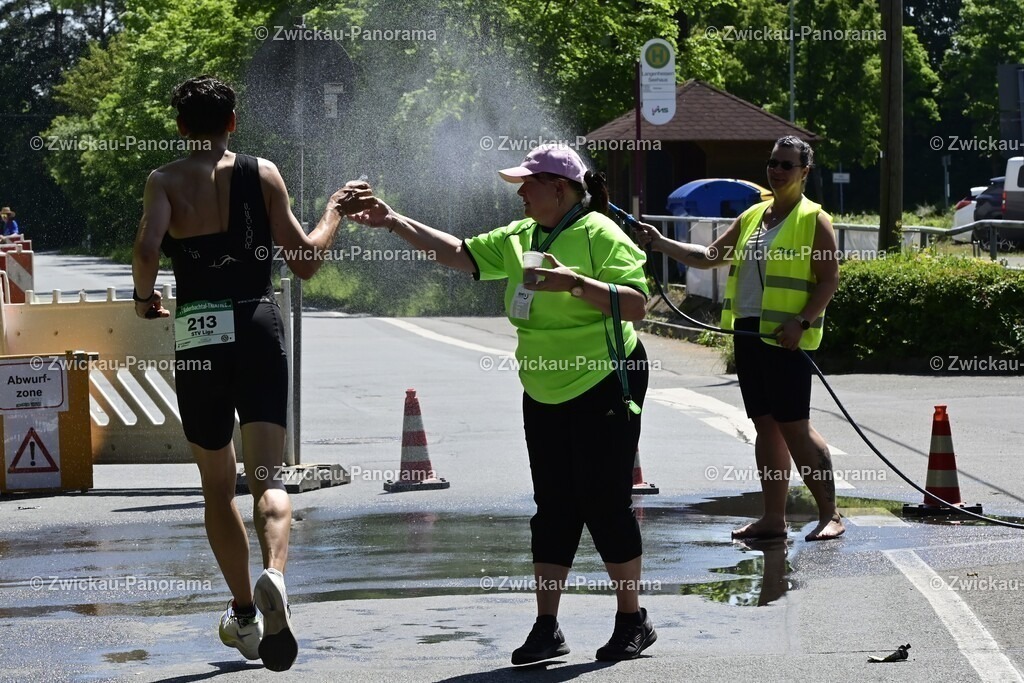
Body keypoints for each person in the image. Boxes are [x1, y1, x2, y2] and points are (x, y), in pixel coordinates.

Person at [343, 144, 658, 664]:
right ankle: (547, 627)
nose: (519, 193)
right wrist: (393, 220)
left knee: (603, 503)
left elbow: (637, 304)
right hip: (543, 386)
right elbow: (459, 253)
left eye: (528, 184)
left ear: (560, 188)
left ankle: (632, 620)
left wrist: (575, 283)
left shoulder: (600, 233)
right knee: (552, 506)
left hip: (606, 378)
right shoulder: (519, 237)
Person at [131, 75, 369, 671]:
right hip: (257, 322)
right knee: (267, 477)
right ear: (233, 122)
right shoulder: (262, 173)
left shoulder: (164, 181)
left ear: (180, 127)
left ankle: (243, 612)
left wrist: (143, 298)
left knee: (217, 486)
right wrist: (334, 211)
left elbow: (147, 248)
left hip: (200, 331)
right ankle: (275, 576)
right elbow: (305, 261)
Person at [636, 135, 845, 542]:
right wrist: (660, 242)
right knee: (765, 427)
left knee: (795, 427)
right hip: (748, 332)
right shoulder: (753, 216)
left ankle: (830, 514)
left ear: (804, 172)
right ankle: (773, 518)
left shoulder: (813, 219)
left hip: (785, 338)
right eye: (773, 162)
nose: (777, 170)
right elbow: (709, 257)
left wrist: (801, 323)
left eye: (786, 164)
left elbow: (829, 280)